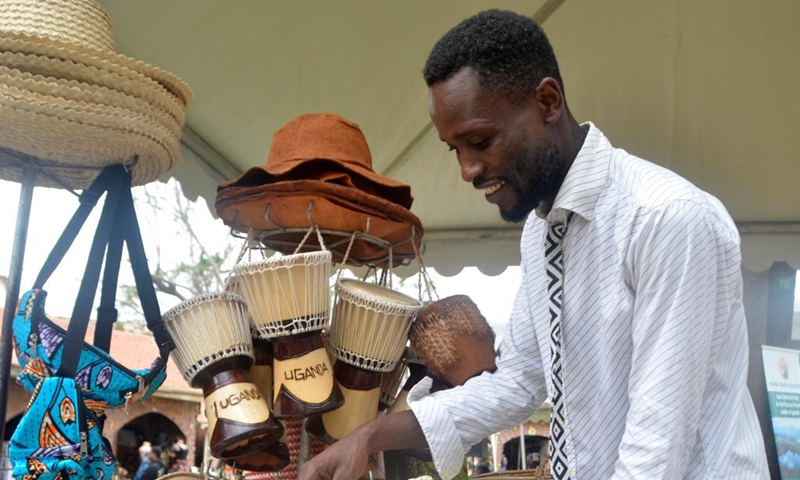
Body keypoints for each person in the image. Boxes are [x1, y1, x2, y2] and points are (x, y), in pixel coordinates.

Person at [299, 9, 770, 480]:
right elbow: (519, 380)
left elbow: (656, 448)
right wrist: (371, 435)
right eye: (454, 149)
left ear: (548, 101)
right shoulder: (541, 230)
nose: (467, 169)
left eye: (480, 141)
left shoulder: (667, 219)